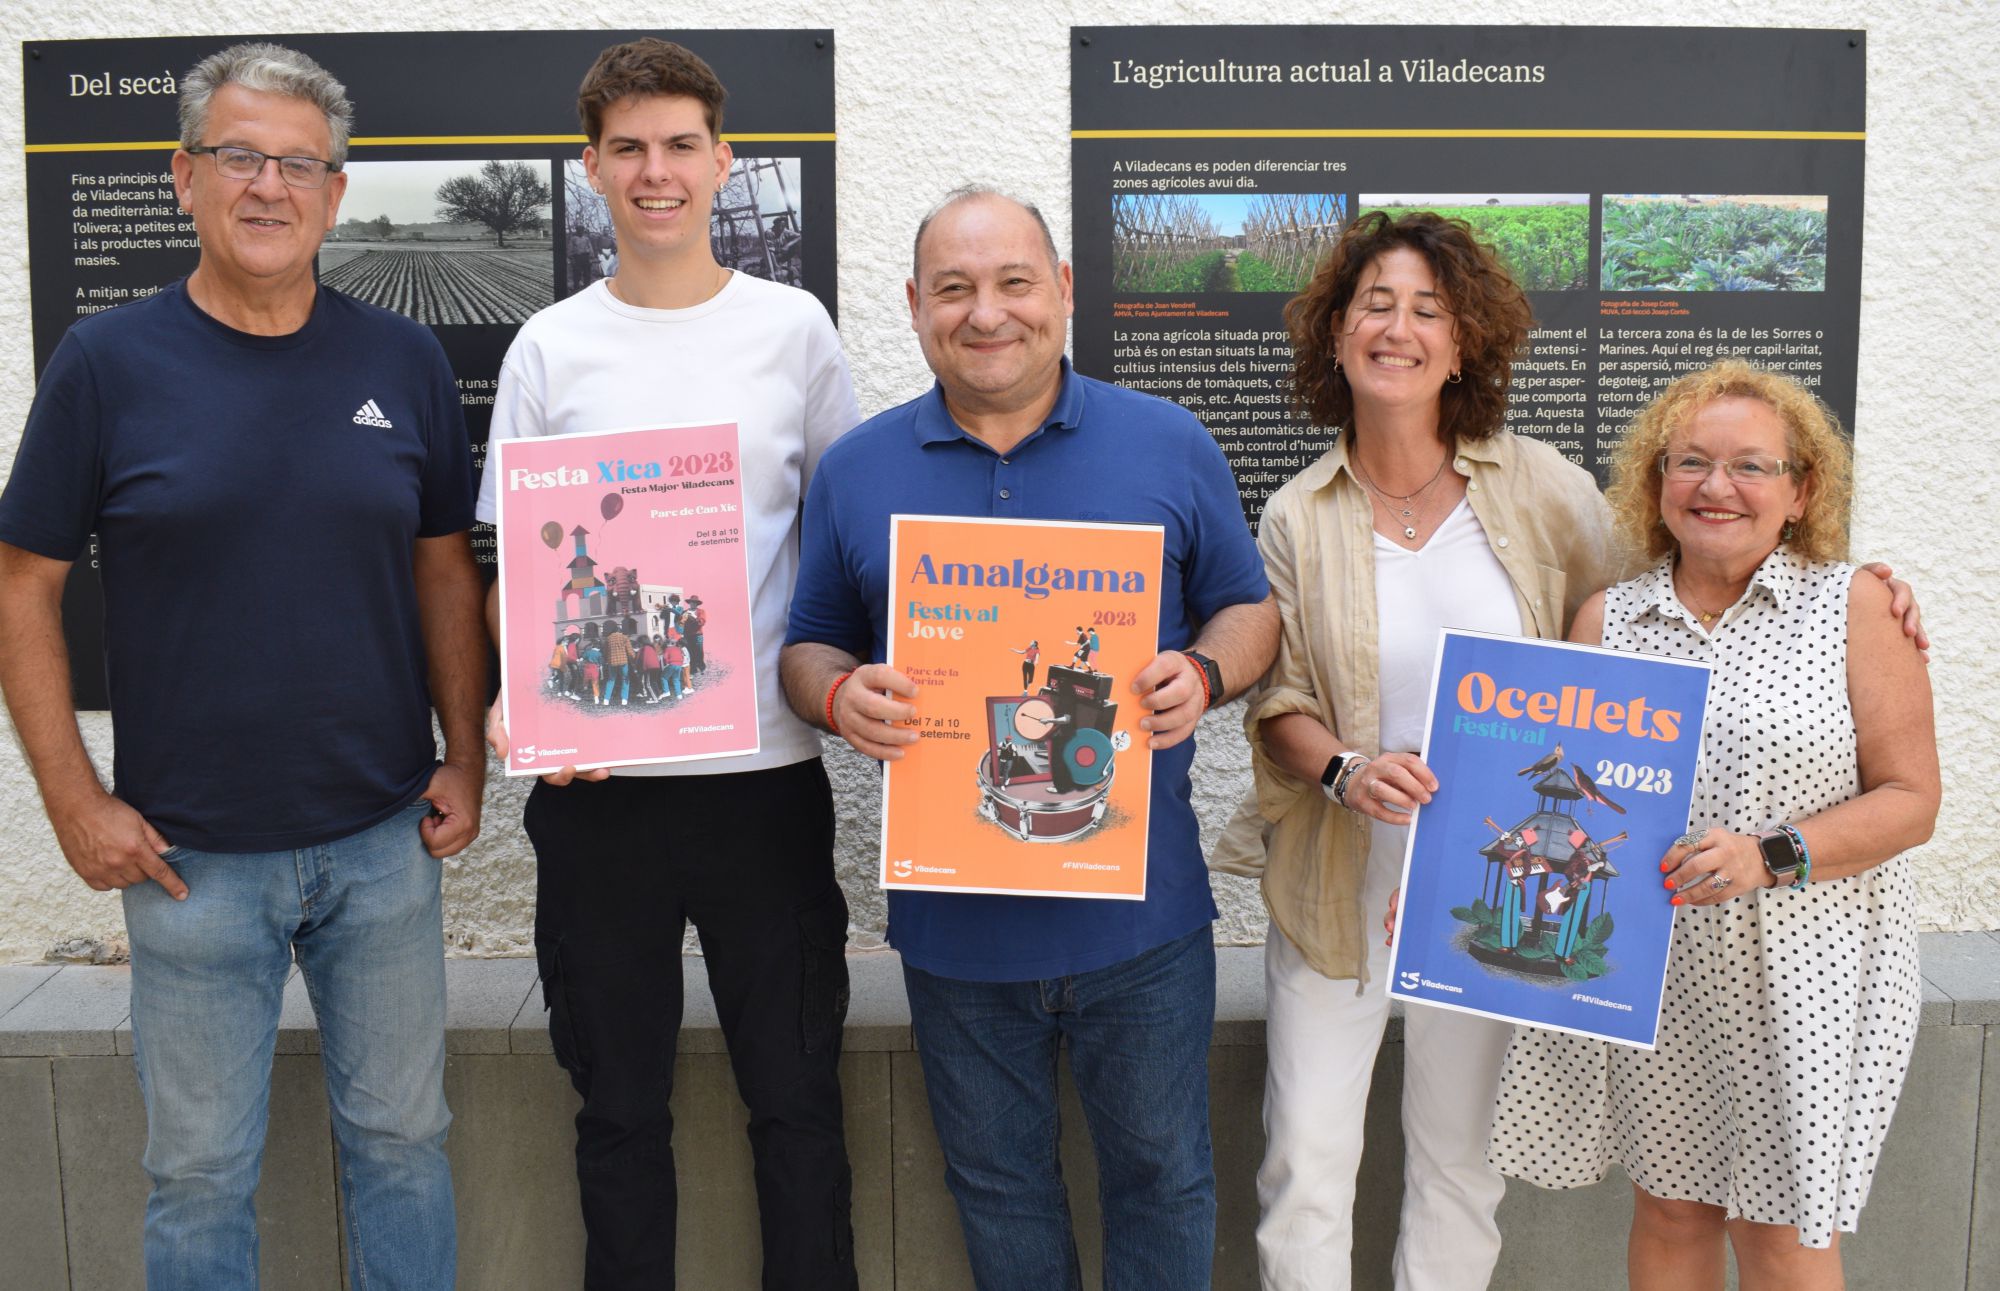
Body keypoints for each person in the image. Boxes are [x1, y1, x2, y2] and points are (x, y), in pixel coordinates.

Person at [1208, 212, 1928, 1291]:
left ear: (1464, 345)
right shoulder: (1296, 512)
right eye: (1375, 304)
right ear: (1334, 332)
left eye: (1428, 309)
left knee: (1457, 1161)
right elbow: (1281, 696)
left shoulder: (1538, 487)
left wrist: (1868, 588)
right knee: (1304, 1157)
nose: (1398, 328)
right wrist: (1349, 769)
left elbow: (1639, 617)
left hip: (1504, 877)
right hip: (1341, 867)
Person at [0, 42, 482, 1291]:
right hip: (187, 859)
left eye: (298, 164)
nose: (268, 186)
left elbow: (444, 570)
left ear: (335, 190)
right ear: (183, 176)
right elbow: (23, 586)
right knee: (199, 1172)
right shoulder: (104, 365)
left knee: (403, 1141)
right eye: (239, 156)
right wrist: (72, 798)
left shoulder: (403, 365)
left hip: (383, 843)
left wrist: (466, 759)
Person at [781, 186, 1277, 1291]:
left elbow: (1249, 611)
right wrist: (834, 695)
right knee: (998, 1190)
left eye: (1012, 282)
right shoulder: (859, 468)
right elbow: (808, 643)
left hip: (1140, 917)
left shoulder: (1167, 440)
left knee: (1162, 1181)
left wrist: (1202, 670)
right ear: (913, 307)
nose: (984, 312)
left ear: (1061, 291)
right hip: (955, 930)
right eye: (952, 289)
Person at [476, 39, 863, 1290]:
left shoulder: (792, 329)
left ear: (722, 158)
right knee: (619, 1110)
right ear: (591, 169)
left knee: (796, 1102)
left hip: (764, 779)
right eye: (629, 148)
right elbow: (518, 568)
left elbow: (839, 540)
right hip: (598, 799)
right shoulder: (548, 346)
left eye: (681, 145)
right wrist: (517, 698)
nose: (657, 172)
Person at [1488, 360, 1938, 1291]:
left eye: (1751, 466)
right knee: (1671, 1207)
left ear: (1801, 488)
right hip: (1658, 973)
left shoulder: (1854, 607)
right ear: (1656, 484)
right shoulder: (1608, 619)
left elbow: (1911, 798)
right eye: (1689, 461)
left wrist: (1769, 855)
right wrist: (1457, 875)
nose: (1716, 486)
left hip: (1802, 971)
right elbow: (1556, 791)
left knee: (1780, 1230)